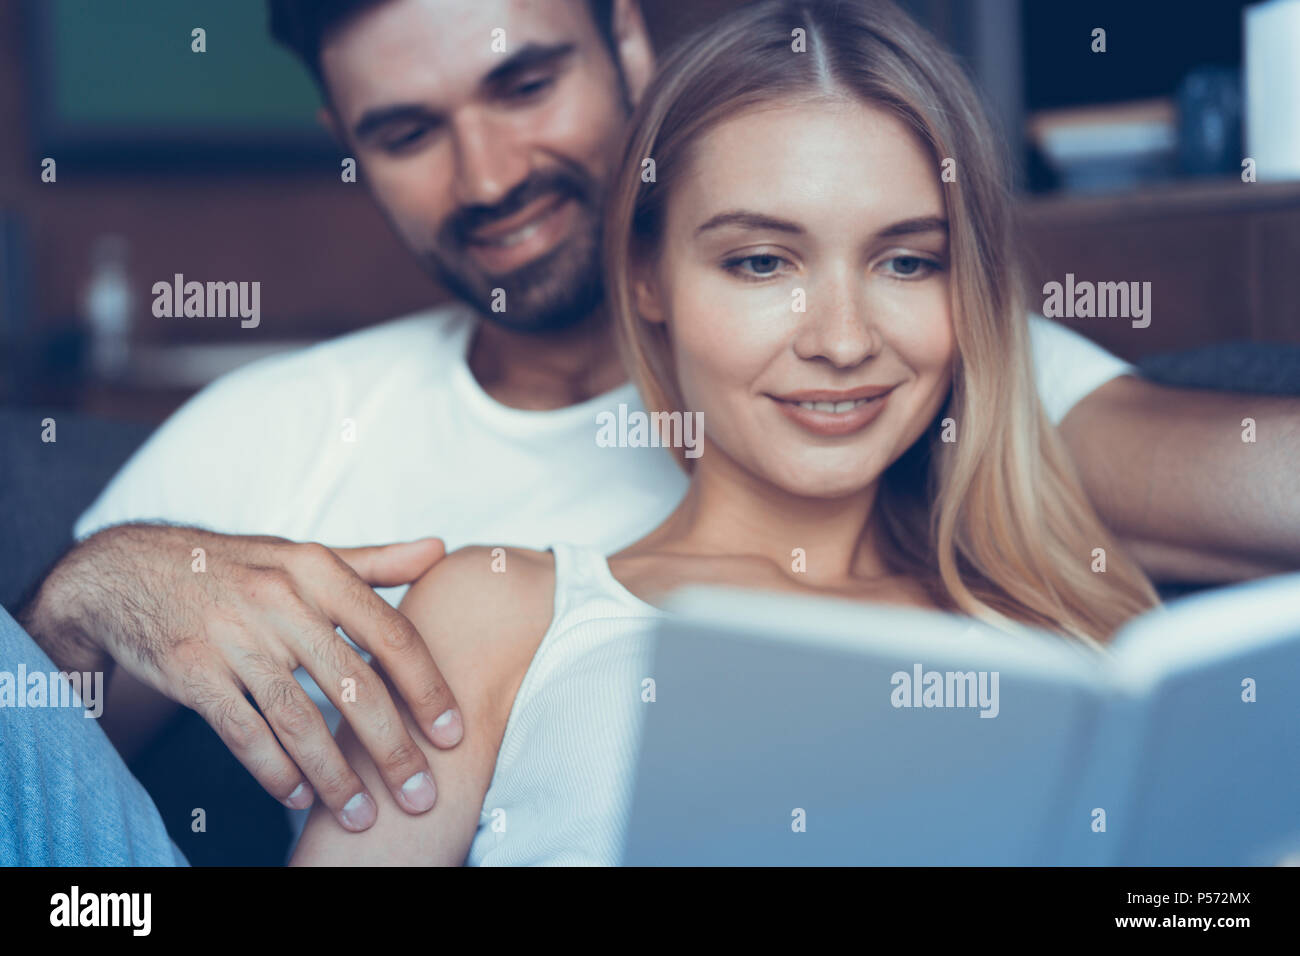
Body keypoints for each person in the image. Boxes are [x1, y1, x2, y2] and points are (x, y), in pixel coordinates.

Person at [13, 0, 1299, 853]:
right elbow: (36, 772)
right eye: (406, 131)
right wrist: (82, 598)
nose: (491, 174)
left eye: (909, 263)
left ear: (624, 40)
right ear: (653, 275)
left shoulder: (1049, 570)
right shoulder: (445, 561)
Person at [292, 0, 1162, 864]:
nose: (843, 340)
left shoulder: (1067, 634)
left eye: (907, 261)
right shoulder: (500, 616)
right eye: (760, 262)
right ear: (645, 276)